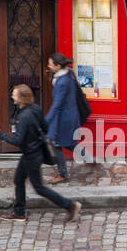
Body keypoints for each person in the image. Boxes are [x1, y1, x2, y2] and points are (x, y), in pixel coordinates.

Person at [0, 84, 81, 222]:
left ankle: (70, 205)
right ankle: (19, 212)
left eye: (14, 94)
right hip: (34, 152)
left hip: (31, 156)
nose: (12, 96)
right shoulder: (36, 109)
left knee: (39, 188)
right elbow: (45, 127)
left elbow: (18, 141)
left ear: (21, 98)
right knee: (18, 179)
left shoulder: (22, 118)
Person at [45, 52, 82, 182]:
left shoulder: (62, 83)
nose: (48, 66)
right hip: (71, 114)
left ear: (58, 66)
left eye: (50, 64)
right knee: (70, 143)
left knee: (56, 143)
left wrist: (46, 121)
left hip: (64, 117)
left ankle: (63, 174)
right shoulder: (69, 72)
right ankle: (91, 160)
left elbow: (57, 104)